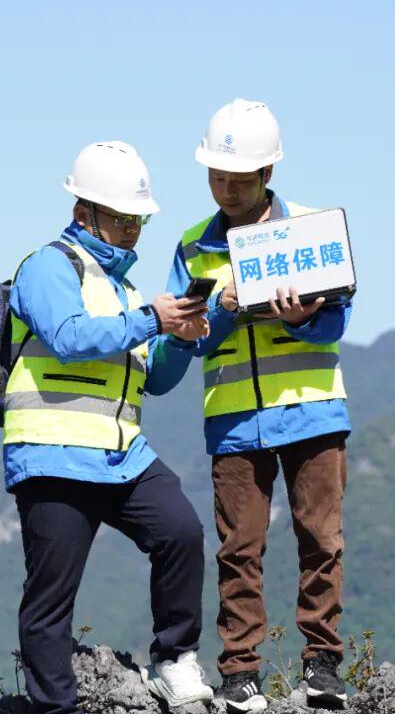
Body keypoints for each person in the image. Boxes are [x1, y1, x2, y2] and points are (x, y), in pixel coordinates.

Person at [156, 100, 353, 712]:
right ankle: (240, 675)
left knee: (320, 537)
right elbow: (181, 341)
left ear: (268, 173)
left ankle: (322, 668)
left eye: (240, 179)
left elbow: (338, 322)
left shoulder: (314, 229)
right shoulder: (193, 246)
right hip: (234, 418)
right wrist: (222, 308)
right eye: (218, 177)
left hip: (312, 409)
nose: (228, 190)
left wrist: (303, 321)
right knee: (239, 548)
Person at [4, 141, 214, 714]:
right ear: (83, 213)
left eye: (138, 219)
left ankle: (174, 660)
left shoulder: (121, 289)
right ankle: (55, 707)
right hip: (54, 457)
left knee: (181, 533)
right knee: (50, 599)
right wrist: (151, 318)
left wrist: (182, 340)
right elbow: (69, 338)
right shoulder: (48, 265)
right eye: (122, 218)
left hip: (121, 455)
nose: (132, 230)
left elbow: (155, 380)